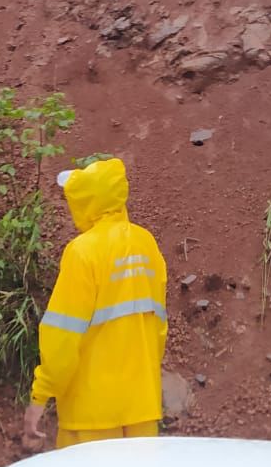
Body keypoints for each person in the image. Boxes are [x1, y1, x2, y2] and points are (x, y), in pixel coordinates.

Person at [23, 157, 167, 450]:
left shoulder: (82, 252)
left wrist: (40, 395)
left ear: (86, 201)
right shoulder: (147, 244)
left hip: (90, 416)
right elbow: (159, 330)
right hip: (142, 409)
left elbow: (62, 335)